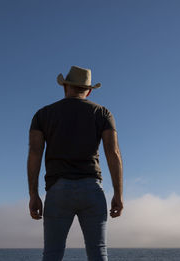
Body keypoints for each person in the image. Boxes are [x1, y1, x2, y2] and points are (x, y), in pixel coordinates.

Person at [27, 65, 123, 261]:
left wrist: (33, 195)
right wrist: (118, 194)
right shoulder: (103, 113)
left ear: (65, 87)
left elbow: (35, 154)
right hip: (92, 189)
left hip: (57, 191)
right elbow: (112, 153)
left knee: (52, 255)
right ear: (88, 91)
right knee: (98, 253)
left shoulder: (42, 115)